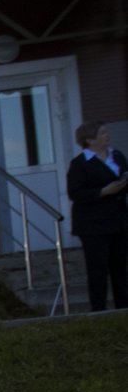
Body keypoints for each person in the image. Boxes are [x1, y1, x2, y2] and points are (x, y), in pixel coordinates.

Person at [65, 120, 127, 312]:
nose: (106, 135)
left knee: (120, 266)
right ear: (90, 140)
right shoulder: (80, 163)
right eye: (101, 133)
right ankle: (98, 310)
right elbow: (75, 193)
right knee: (98, 268)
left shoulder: (116, 156)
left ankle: (123, 307)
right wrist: (102, 191)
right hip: (93, 224)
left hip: (118, 219)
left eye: (106, 132)